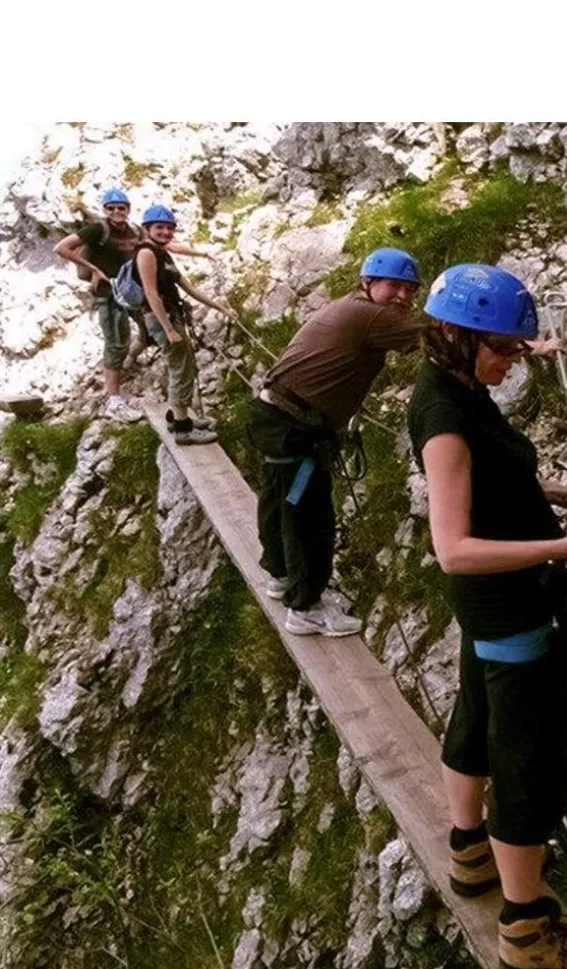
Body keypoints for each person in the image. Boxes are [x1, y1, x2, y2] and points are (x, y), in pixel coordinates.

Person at [406, 263, 567, 969]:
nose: (512, 363)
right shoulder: (446, 417)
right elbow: (452, 548)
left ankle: (469, 848)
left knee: (476, 719)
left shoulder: (453, 389)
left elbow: (480, 482)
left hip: (492, 614)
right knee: (529, 760)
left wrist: (543, 488)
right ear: (459, 335)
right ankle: (527, 930)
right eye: (503, 349)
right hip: (509, 609)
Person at [248, 247, 424, 637]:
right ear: (369, 283)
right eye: (394, 286)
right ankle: (306, 606)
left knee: (280, 499)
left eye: (410, 290)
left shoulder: (351, 306)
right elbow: (439, 340)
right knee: (309, 516)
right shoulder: (371, 316)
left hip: (276, 416)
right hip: (297, 427)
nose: (403, 297)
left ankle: (279, 574)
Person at [53, 189, 217, 420]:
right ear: (105, 210)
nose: (117, 212)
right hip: (108, 293)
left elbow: (168, 245)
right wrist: (94, 270)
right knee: (116, 342)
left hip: (132, 293)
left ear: (128, 209)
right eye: (112, 208)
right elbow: (61, 248)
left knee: (149, 334)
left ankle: (127, 362)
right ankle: (114, 400)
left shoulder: (137, 231)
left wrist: (200, 254)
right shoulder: (98, 229)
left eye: (121, 207)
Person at [133, 204, 232, 444]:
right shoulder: (146, 253)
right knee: (181, 368)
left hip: (170, 316)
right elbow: (151, 294)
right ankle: (183, 428)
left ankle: (177, 415)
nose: (165, 232)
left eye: (169, 228)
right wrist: (168, 328)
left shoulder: (162, 253)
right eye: (160, 227)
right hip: (161, 318)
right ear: (148, 228)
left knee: (182, 365)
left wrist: (219, 307)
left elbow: (189, 288)